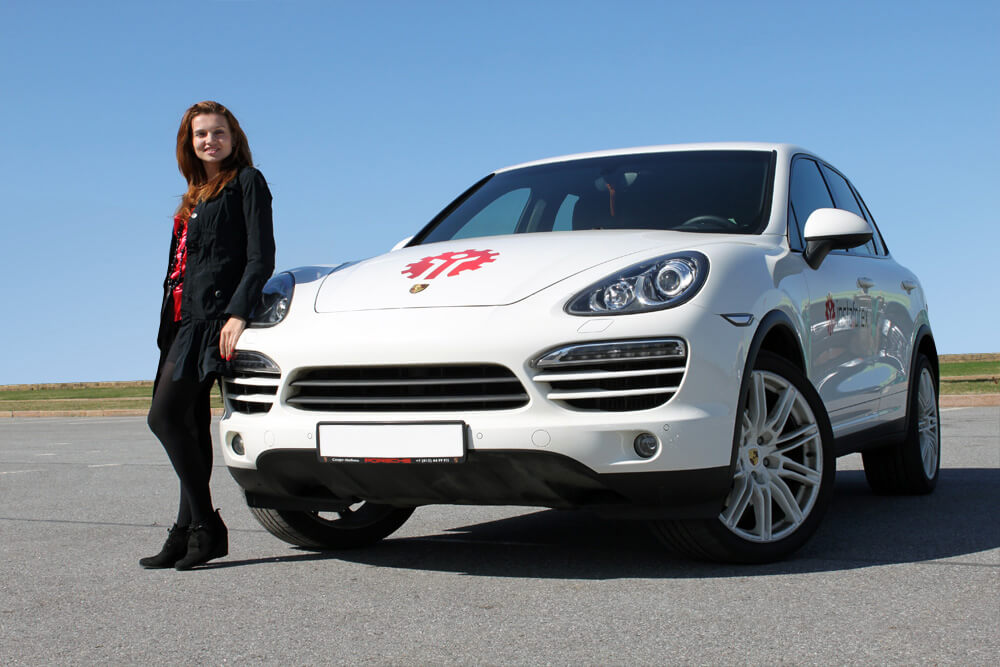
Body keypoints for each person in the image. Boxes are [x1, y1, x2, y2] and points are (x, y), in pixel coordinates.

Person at [141, 101, 275, 570]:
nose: (210, 141)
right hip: (180, 321)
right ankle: (185, 532)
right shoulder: (193, 197)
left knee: (163, 418)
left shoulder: (247, 182)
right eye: (201, 134)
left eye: (218, 132)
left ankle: (206, 525)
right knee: (189, 424)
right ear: (189, 143)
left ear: (233, 138)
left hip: (214, 320)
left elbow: (260, 257)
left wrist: (238, 313)